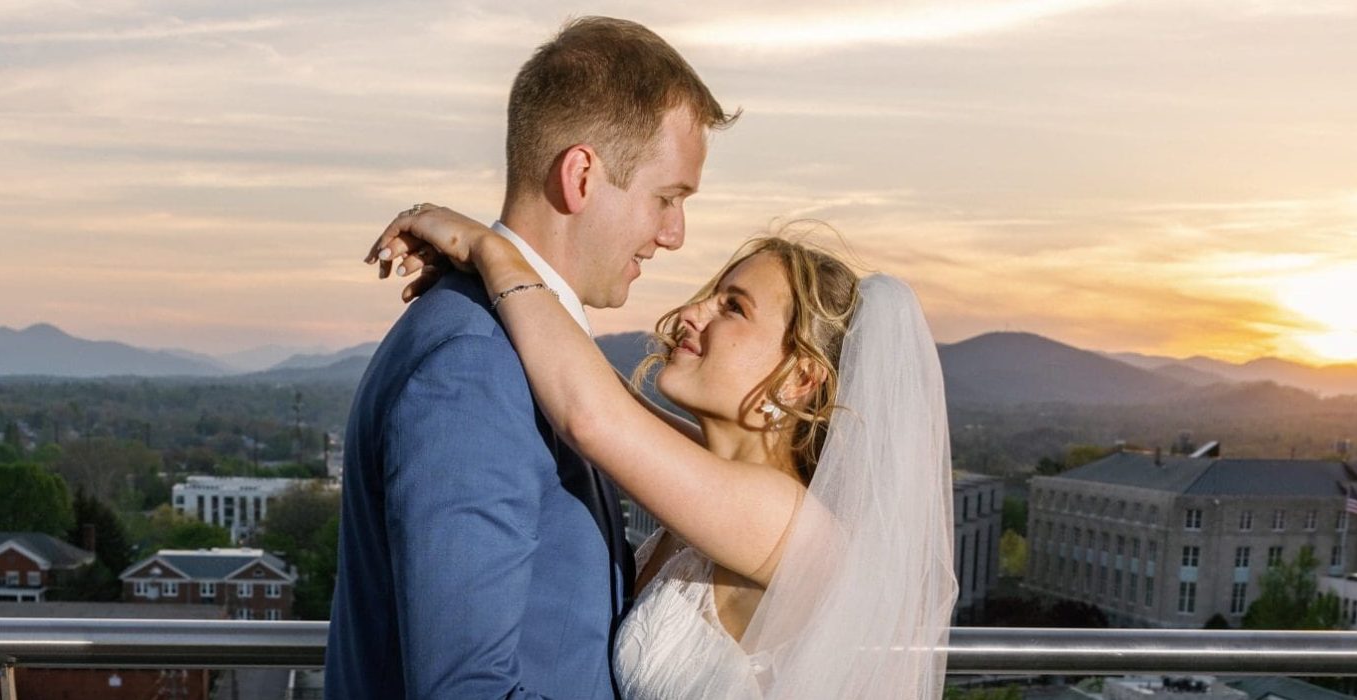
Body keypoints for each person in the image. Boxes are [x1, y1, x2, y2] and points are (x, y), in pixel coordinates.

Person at [370, 208, 959, 699]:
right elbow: (594, 392)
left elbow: (591, 417)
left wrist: (490, 249)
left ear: (799, 379)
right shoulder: (718, 484)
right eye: (711, 294)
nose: (692, 313)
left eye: (734, 307)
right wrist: (485, 281)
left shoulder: (787, 520)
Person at [322, 16, 736, 700]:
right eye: (667, 198)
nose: (675, 234)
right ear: (580, 176)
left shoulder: (527, 350)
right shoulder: (473, 366)